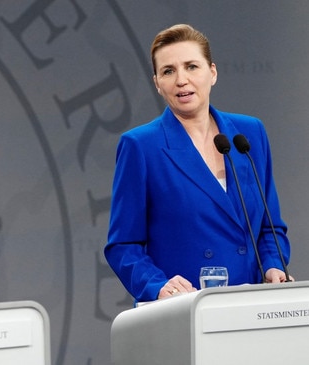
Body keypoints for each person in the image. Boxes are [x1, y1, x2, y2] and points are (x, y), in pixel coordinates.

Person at [104, 24, 291, 303]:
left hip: (250, 304)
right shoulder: (141, 146)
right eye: (168, 71)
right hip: (183, 310)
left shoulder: (248, 135)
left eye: (192, 66)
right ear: (157, 82)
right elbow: (123, 245)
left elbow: (270, 227)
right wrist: (158, 285)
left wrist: (274, 265)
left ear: (212, 72)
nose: (182, 80)